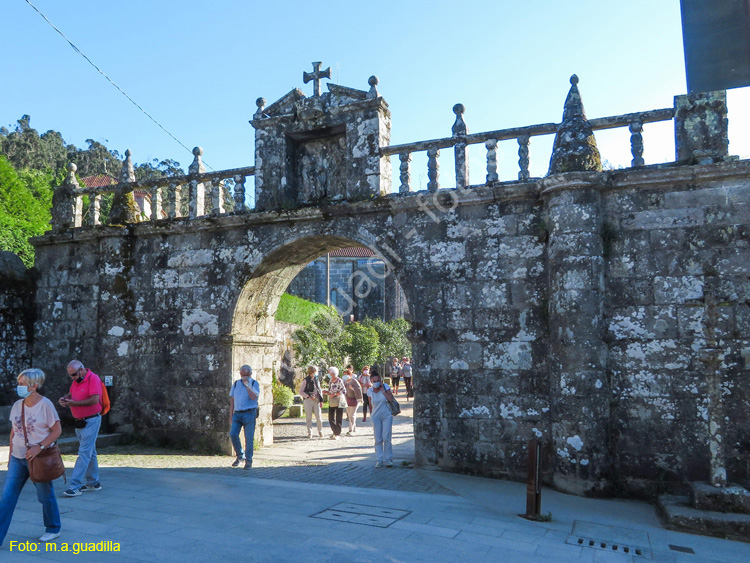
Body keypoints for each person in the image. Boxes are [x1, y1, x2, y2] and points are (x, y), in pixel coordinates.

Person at [1, 368, 63, 545]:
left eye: (22, 384)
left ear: (34, 386)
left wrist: (40, 447)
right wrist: (11, 454)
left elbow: (57, 430)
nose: (18, 387)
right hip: (17, 458)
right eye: (18, 383)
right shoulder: (17, 405)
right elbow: (14, 432)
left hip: (39, 458)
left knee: (45, 495)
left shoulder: (46, 405)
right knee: (7, 497)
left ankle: (53, 528)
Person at [59, 360, 103, 497]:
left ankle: (75, 485)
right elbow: (72, 393)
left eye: (74, 375)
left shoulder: (93, 379)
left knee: (84, 452)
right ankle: (93, 482)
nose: (72, 378)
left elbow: (95, 399)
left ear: (82, 369)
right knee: (90, 452)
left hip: (91, 420)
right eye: (70, 376)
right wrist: (65, 399)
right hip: (80, 422)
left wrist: (75, 404)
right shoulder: (77, 380)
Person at [229, 365, 260, 469]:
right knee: (233, 434)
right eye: (243, 375)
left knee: (249, 438)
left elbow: (253, 397)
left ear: (250, 374)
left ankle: (249, 461)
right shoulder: (236, 384)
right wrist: (231, 415)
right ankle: (240, 456)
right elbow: (232, 400)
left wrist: (247, 386)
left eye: (246, 375)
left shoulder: (254, 384)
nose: (244, 377)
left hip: (249, 413)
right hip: (237, 413)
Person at [367, 372, 396, 467]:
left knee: (386, 437)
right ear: (371, 381)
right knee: (378, 438)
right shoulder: (370, 391)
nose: (376, 383)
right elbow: (370, 405)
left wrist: (382, 390)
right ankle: (379, 459)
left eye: (378, 381)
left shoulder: (385, 387)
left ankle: (388, 459)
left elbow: (390, 399)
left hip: (386, 415)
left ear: (381, 380)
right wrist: (371, 415)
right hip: (376, 416)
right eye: (374, 381)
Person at [298, 366, 324, 439]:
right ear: (311, 372)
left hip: (317, 399)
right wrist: (308, 396)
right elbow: (301, 391)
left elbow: (320, 390)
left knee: (318, 416)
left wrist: (321, 400)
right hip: (308, 400)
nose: (316, 373)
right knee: (309, 416)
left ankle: (320, 431)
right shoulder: (306, 380)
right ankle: (310, 432)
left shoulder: (317, 379)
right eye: (315, 372)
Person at [323, 367, 345, 440]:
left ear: (332, 373)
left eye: (329, 372)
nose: (329, 373)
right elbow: (330, 390)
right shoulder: (330, 381)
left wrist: (335, 394)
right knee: (331, 418)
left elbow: (344, 391)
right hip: (332, 401)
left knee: (339, 417)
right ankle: (335, 431)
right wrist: (326, 392)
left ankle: (337, 433)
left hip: (339, 400)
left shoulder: (339, 380)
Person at [343, 369, 363, 435]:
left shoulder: (354, 381)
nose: (345, 376)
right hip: (347, 400)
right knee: (349, 415)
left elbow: (359, 389)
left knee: (352, 415)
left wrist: (353, 389)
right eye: (344, 374)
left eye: (347, 374)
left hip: (355, 400)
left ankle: (350, 430)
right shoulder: (345, 382)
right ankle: (354, 429)